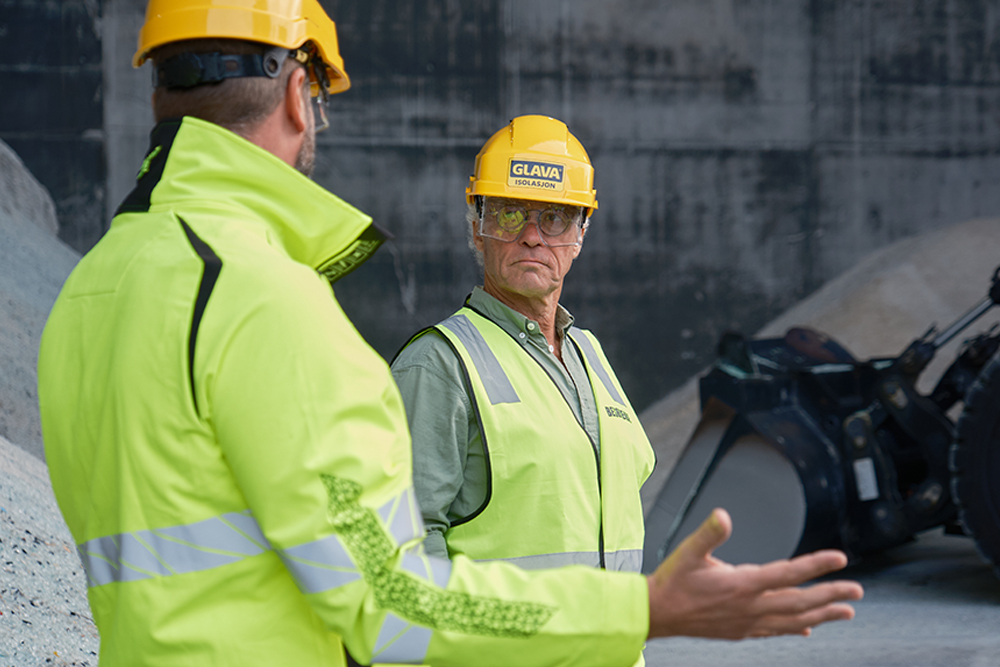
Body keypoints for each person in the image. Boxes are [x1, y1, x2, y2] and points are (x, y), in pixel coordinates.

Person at [37, 2, 863, 666]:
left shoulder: (90, 290)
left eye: (557, 219)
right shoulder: (268, 302)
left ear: (158, 94)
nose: (534, 235)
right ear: (298, 95)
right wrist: (645, 609)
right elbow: (391, 603)